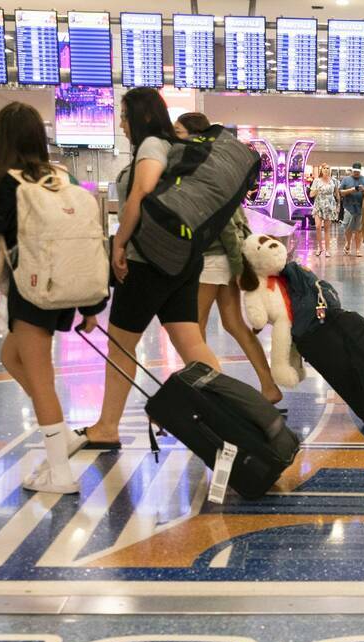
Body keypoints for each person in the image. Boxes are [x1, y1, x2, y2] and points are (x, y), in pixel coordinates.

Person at [0, 103, 107, 494]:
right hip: (66, 288)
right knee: (10, 356)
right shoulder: (60, 178)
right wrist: (91, 306)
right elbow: (81, 242)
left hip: (31, 291)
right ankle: (61, 435)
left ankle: (60, 471)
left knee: (41, 380)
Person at [81, 88, 233, 449]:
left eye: (123, 115)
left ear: (142, 116)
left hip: (147, 262)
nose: (121, 123)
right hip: (180, 262)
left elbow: (141, 193)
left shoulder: (152, 146)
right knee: (192, 344)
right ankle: (233, 414)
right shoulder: (174, 148)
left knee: (121, 346)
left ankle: (106, 427)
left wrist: (119, 242)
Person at [174, 112, 282, 405]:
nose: (175, 137)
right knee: (234, 323)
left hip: (211, 259)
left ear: (195, 136)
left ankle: (201, 393)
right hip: (222, 258)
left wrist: (237, 266)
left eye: (179, 131)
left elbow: (221, 223)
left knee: (193, 329)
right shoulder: (215, 167)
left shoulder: (199, 170)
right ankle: (268, 385)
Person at [339, 163, 364, 257]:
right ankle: (348, 243)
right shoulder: (346, 179)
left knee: (358, 230)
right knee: (348, 229)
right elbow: (341, 192)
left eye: (358, 172)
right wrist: (351, 190)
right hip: (349, 207)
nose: (356, 173)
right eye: (355, 171)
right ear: (352, 170)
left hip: (361, 208)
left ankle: (357, 249)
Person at [309, 163, 339, 258]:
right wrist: (317, 190)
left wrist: (338, 206)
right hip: (319, 205)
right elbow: (311, 195)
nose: (326, 170)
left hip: (330, 206)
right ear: (321, 170)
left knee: (327, 229)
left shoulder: (334, 181)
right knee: (318, 226)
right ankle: (319, 247)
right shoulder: (317, 181)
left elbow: (337, 194)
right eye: (324, 168)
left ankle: (327, 250)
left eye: (328, 168)